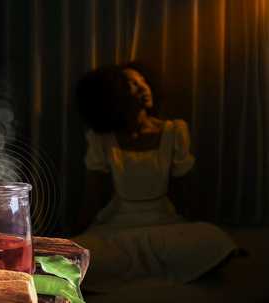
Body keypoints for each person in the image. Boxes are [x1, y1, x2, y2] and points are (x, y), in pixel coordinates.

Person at [72, 63, 238, 287]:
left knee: (213, 239)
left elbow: (186, 191)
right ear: (114, 94)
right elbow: (92, 197)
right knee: (76, 256)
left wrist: (196, 228)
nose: (143, 88)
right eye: (132, 84)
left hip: (164, 221)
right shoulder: (102, 138)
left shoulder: (174, 131)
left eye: (143, 81)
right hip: (117, 224)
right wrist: (72, 235)